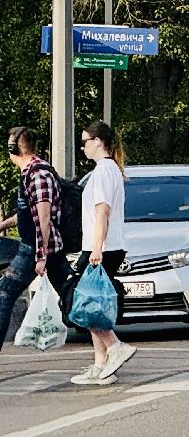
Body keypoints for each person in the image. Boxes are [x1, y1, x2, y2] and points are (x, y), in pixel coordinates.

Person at [70, 121, 134, 386]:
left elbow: (102, 211)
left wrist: (97, 246)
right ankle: (101, 364)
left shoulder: (104, 171)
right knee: (93, 303)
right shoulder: (108, 170)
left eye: (85, 141)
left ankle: (115, 346)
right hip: (105, 246)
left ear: (98, 141)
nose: (83, 146)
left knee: (84, 303)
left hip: (102, 248)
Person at [0, 127, 70, 349]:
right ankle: (108, 342)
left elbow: (43, 217)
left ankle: (108, 342)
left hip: (36, 249)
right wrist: (3, 225)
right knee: (72, 297)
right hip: (44, 248)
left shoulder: (38, 174)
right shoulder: (31, 172)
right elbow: (27, 213)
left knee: (5, 293)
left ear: (13, 148)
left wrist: (41, 256)